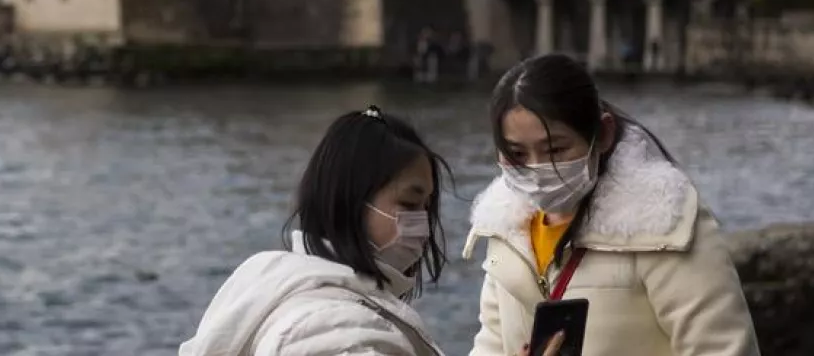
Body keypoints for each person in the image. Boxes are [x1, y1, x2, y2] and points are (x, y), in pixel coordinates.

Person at [180, 106, 564, 356]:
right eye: (410, 204)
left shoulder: (280, 289)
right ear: (351, 199)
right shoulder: (333, 332)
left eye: (428, 207)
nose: (424, 224)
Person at [464, 54, 762, 356]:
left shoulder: (663, 225)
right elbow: (490, 343)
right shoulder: (506, 231)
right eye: (516, 154)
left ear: (602, 134)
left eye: (555, 149)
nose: (537, 169)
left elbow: (723, 349)